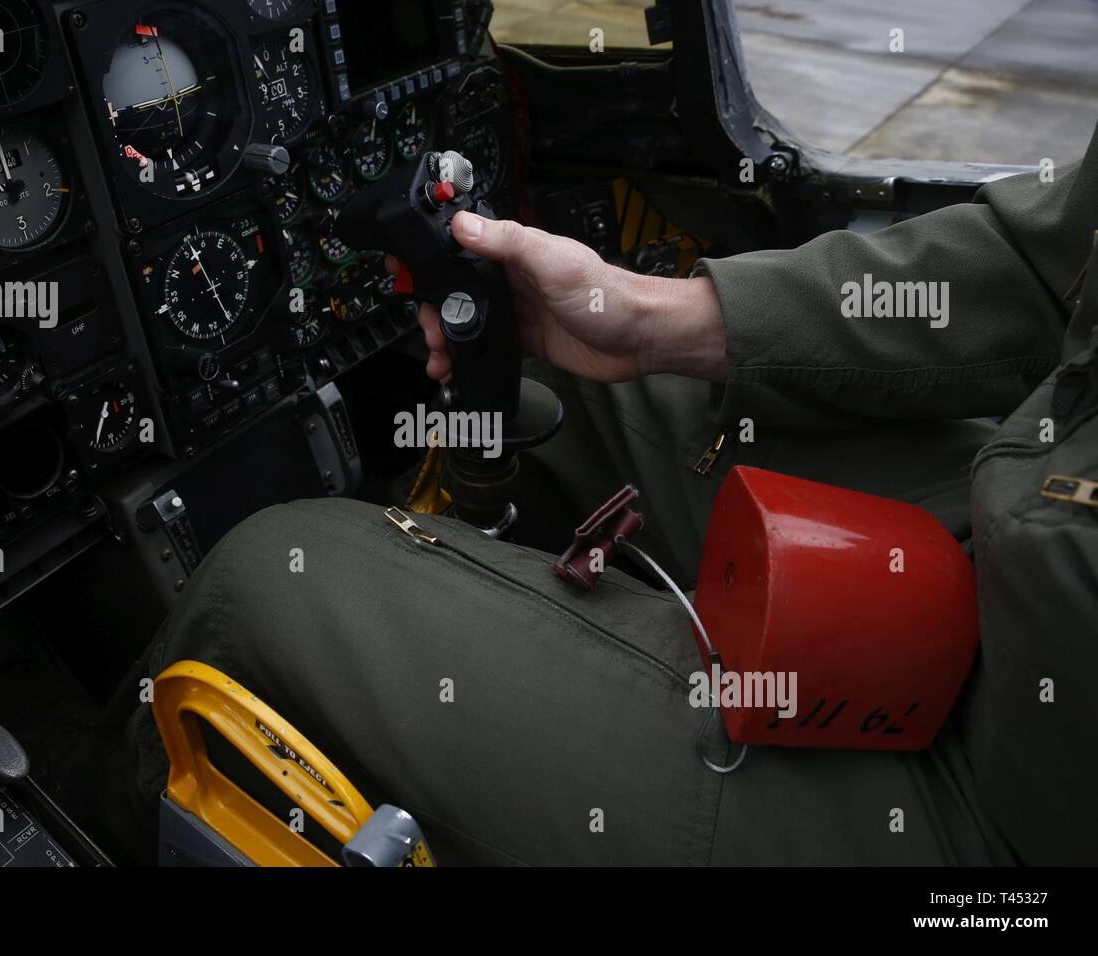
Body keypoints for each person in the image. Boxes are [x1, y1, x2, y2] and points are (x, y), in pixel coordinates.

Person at [126, 123, 1098, 865]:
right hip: (1027, 521)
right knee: (580, 390)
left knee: (256, 582)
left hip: (1020, 812)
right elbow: (1044, 268)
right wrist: (646, 319)